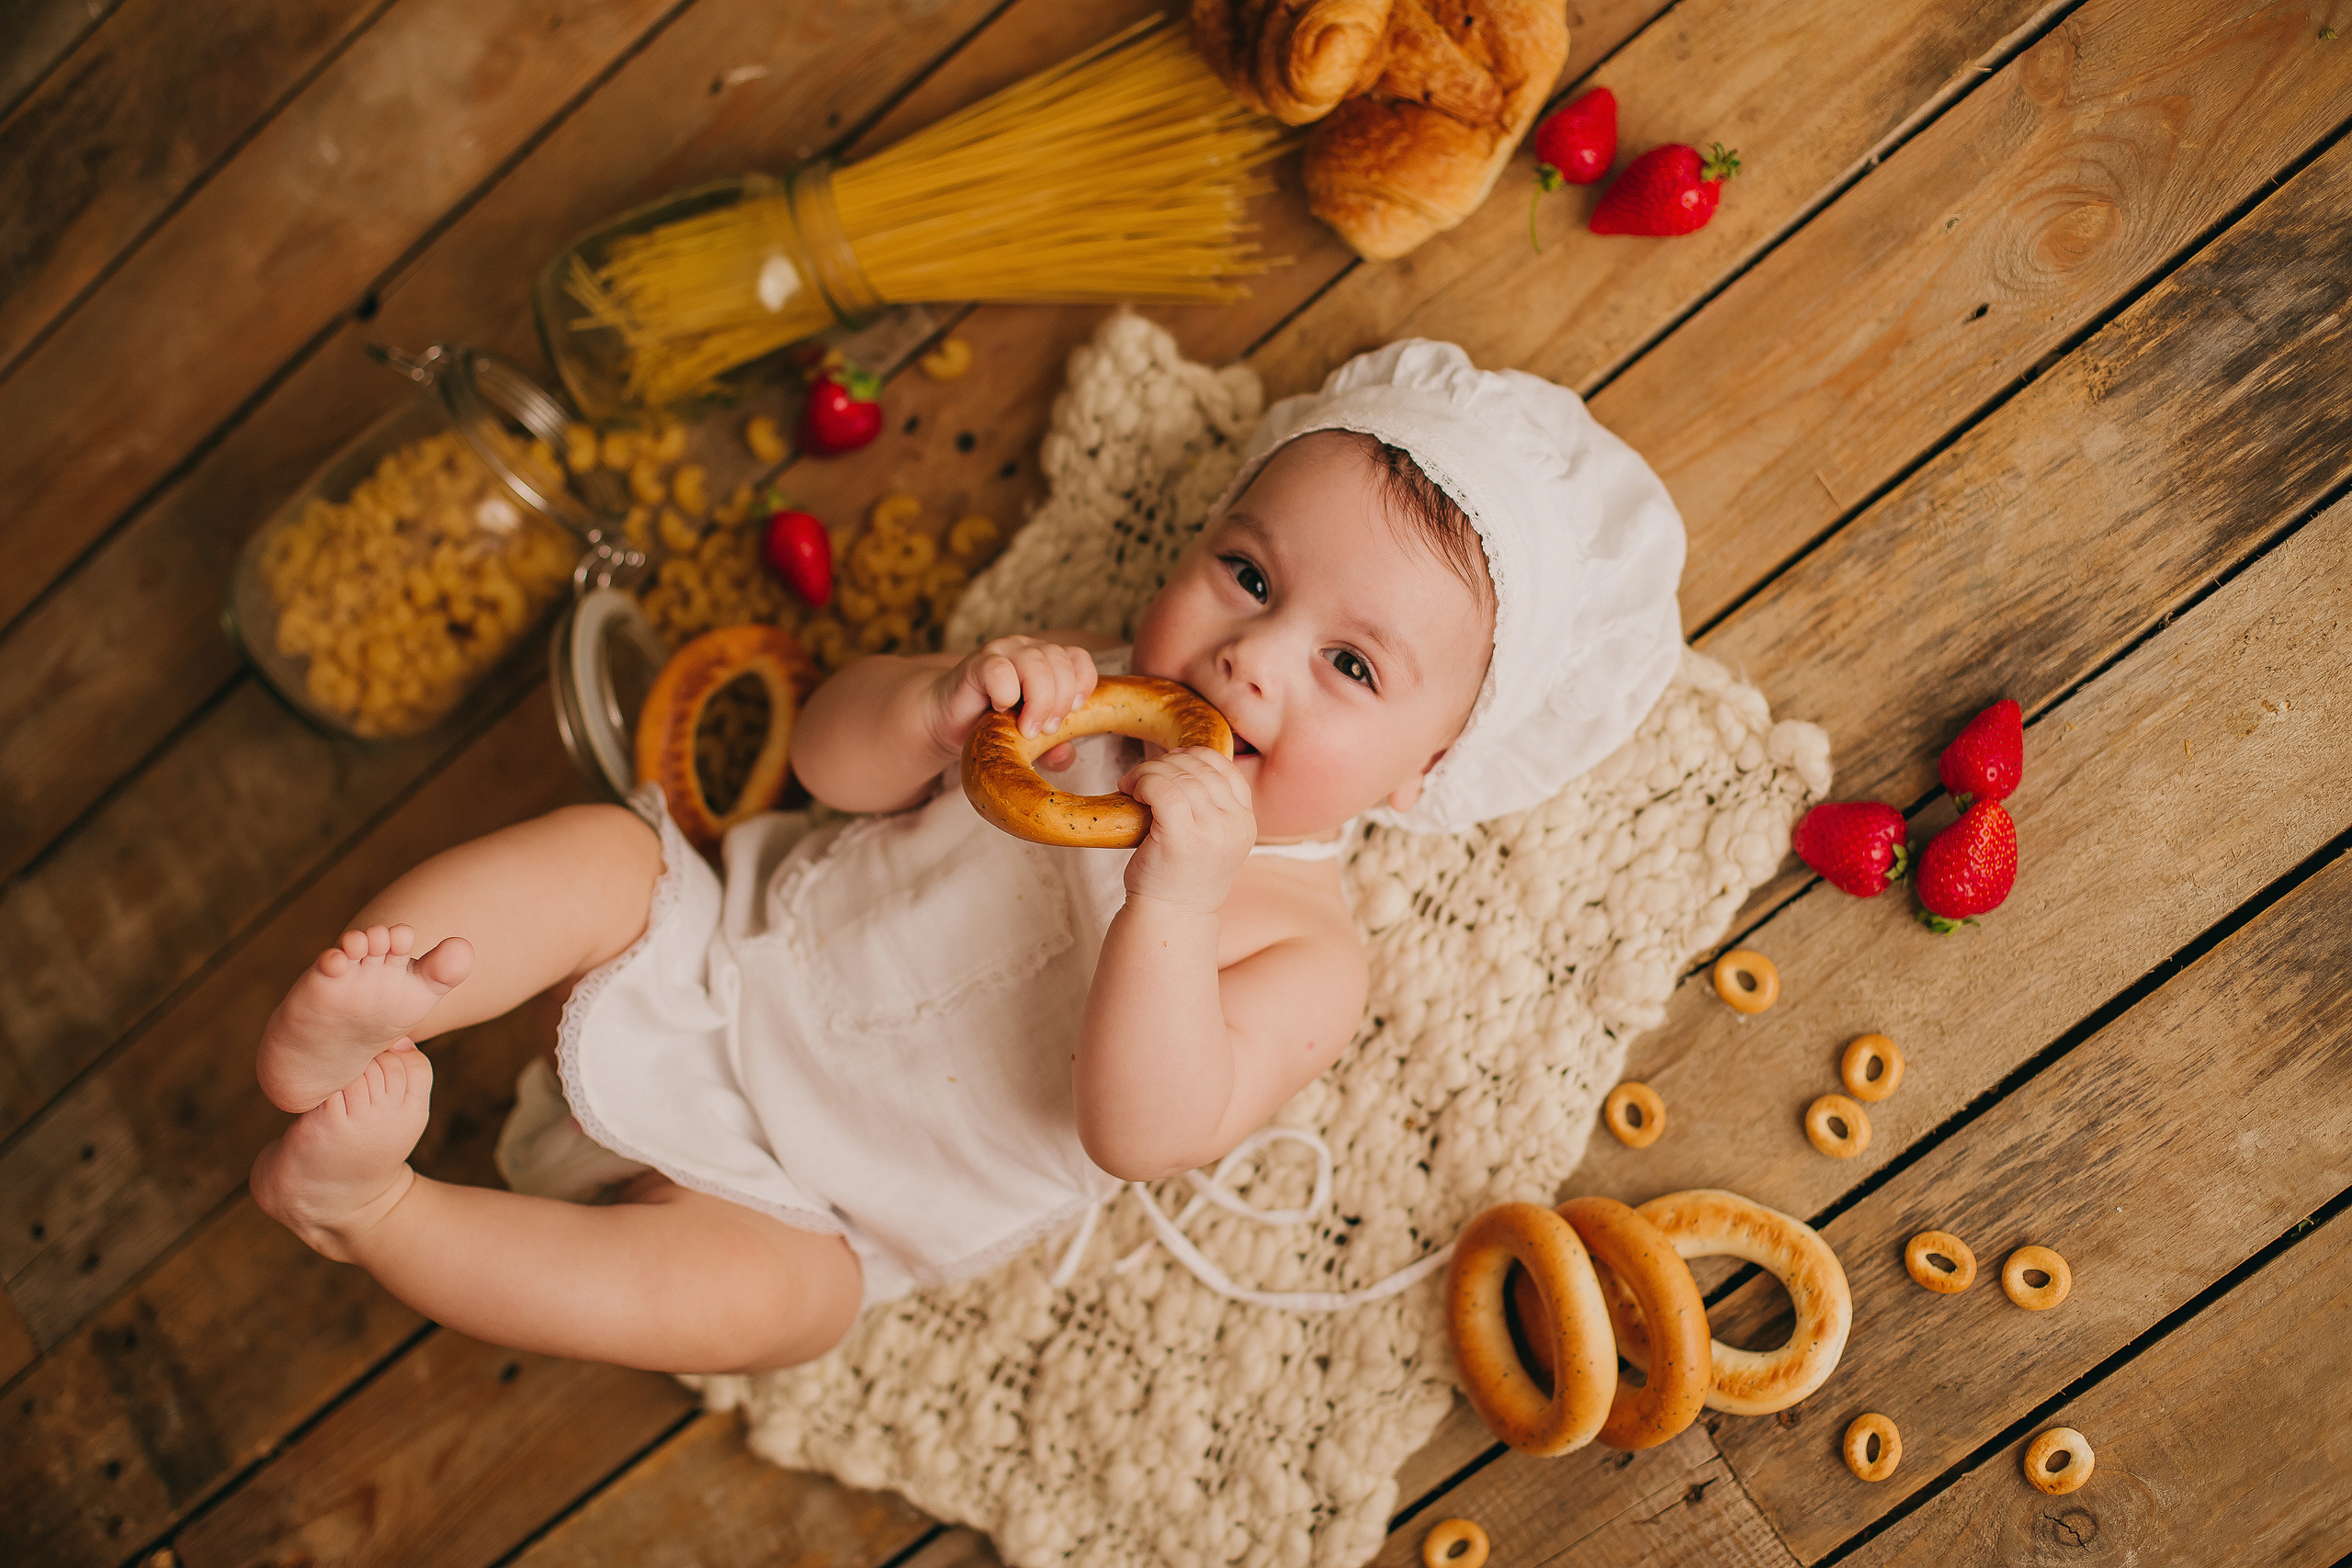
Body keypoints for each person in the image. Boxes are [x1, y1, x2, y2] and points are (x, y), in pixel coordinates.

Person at [247, 340, 1685, 1373]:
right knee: (600, 856)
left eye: (1352, 667)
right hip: (722, 956)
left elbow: (1142, 1129)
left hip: (819, 1208)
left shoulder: (1304, 949)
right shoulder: (1072, 691)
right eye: (1248, 576)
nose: (1254, 658)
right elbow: (828, 764)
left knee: (771, 1314)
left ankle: (380, 1210)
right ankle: (383, 1001)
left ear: (1431, 772)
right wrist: (936, 707)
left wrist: (1172, 909)